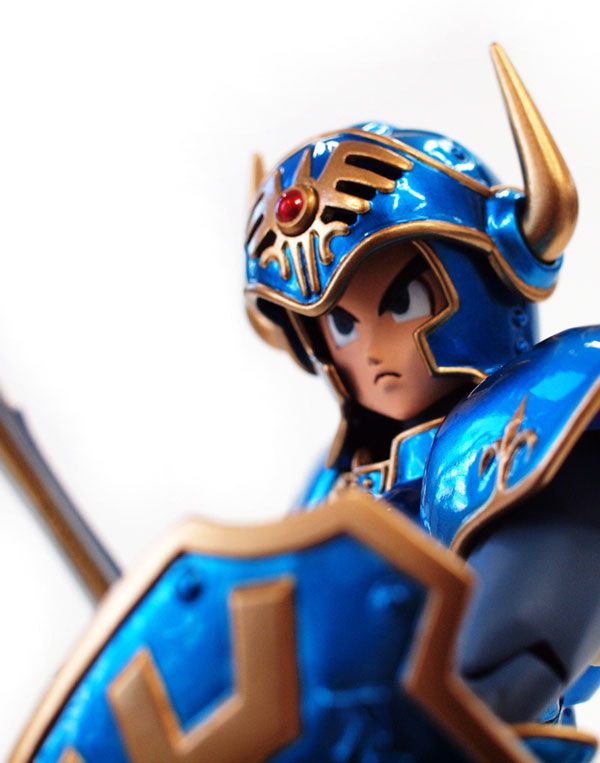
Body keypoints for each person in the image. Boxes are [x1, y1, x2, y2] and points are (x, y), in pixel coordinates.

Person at [244, 43, 600, 760]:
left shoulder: (535, 419)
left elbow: (508, 659)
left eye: (401, 302)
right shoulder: (331, 493)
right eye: (342, 326)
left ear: (474, 291)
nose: (371, 351)